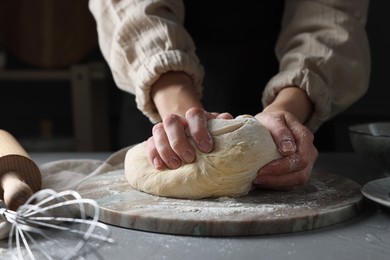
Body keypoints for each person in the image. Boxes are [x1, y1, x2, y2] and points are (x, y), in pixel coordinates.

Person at [88, 0, 371, 190]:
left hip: (290, 87)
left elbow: (331, 12)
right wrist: (178, 104)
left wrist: (290, 107)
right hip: (160, 95)